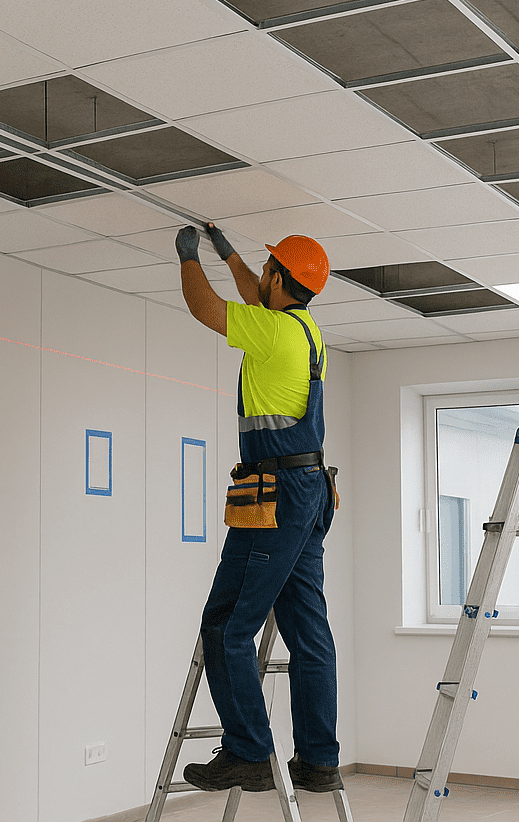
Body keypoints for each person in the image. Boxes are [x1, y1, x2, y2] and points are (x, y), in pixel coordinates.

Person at [173, 222, 342, 795]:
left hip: (275, 500)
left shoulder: (271, 333)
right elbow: (255, 296)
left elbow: (206, 308)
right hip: (311, 491)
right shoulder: (306, 331)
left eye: (267, 270)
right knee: (308, 633)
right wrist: (231, 255)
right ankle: (319, 761)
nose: (260, 278)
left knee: (226, 627)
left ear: (279, 277)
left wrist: (189, 257)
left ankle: (248, 751)